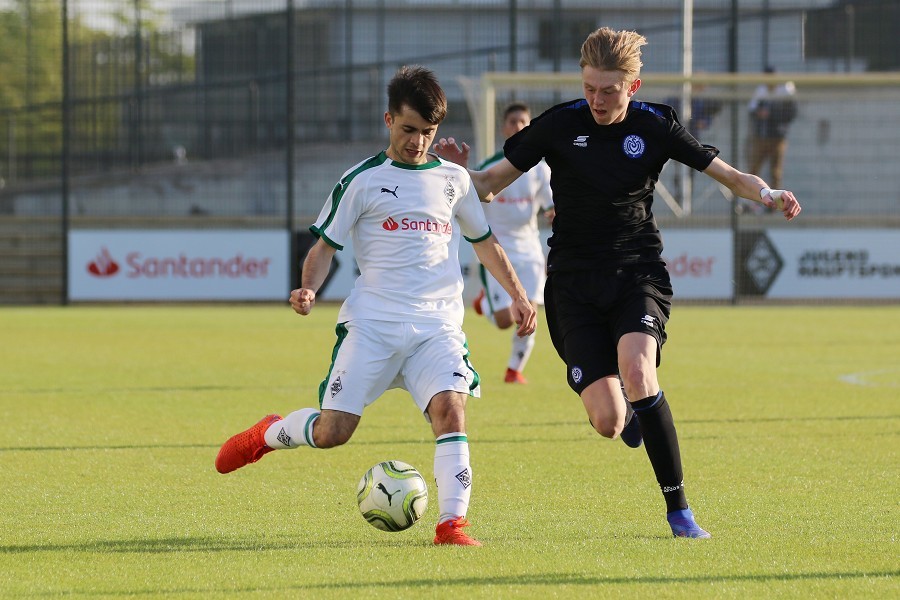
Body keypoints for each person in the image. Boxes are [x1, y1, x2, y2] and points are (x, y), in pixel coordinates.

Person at [434, 27, 801, 539]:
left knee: (637, 368)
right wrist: (453, 173)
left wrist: (768, 193)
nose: (597, 100)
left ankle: (680, 513)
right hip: (573, 284)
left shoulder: (656, 124)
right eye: (589, 87)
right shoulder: (560, 124)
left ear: (634, 86)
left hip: (636, 272)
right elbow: (490, 185)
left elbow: (733, 176)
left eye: (609, 90)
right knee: (608, 420)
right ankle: (630, 419)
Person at [215, 65, 537, 547]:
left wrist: (518, 294)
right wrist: (308, 288)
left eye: (428, 133)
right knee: (332, 432)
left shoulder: (454, 180)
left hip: (437, 328)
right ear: (389, 120)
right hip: (373, 325)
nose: (418, 142)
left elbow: (484, 242)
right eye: (409, 130)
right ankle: (269, 432)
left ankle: (452, 525)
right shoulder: (361, 180)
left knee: (451, 410)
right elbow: (324, 246)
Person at [470, 102, 554, 384]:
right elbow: (471, 204)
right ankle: (485, 301)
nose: (518, 127)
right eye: (513, 122)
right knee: (506, 319)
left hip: (530, 250)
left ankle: (513, 369)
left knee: (529, 312)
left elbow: (549, 205)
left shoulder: (541, 170)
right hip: (498, 250)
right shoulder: (489, 168)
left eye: (523, 122)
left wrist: (555, 214)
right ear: (504, 128)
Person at [747, 66, 797, 209]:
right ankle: (753, 204)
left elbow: (791, 113)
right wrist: (759, 113)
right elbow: (752, 110)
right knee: (754, 169)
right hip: (761, 138)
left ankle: (775, 206)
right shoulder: (761, 91)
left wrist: (772, 115)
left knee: (775, 172)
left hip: (777, 138)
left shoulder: (786, 90)